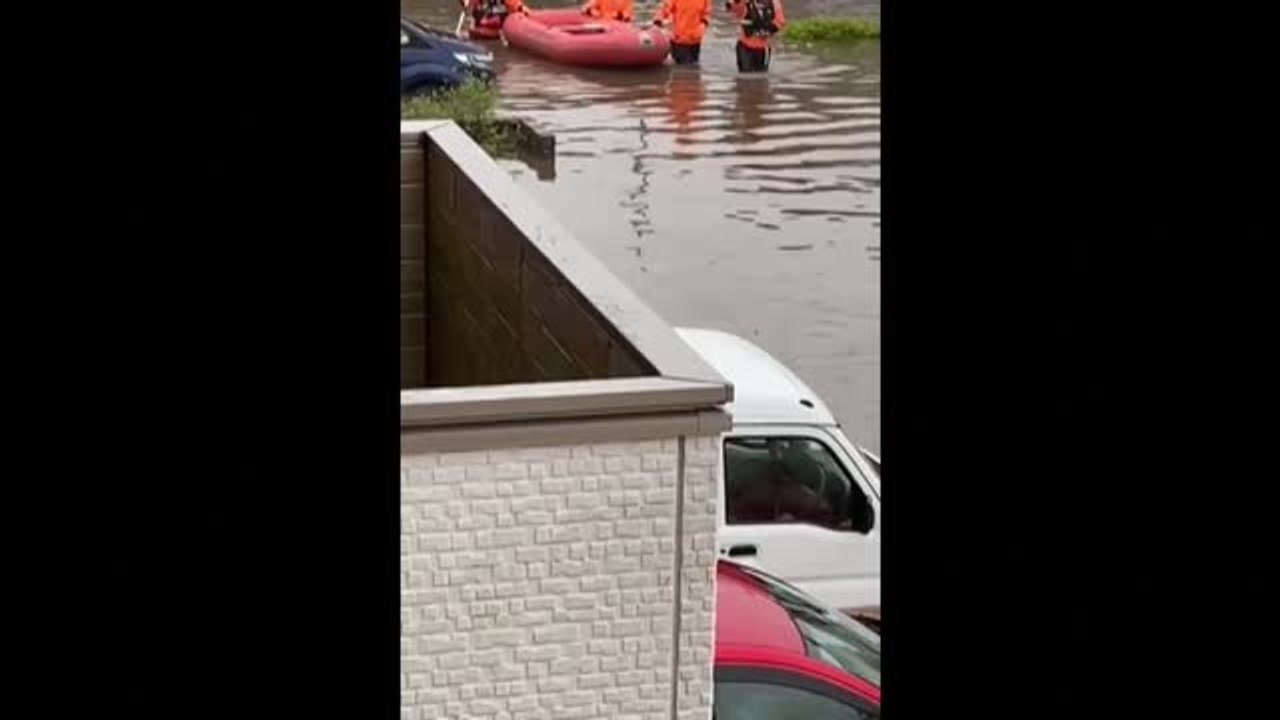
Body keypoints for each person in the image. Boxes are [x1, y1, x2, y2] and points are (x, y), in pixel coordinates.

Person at [726, 0, 785, 73]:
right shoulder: (744, 2)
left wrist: (767, 31)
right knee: (744, 74)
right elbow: (732, 9)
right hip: (745, 45)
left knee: (762, 75)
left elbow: (780, 21)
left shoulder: (774, 2)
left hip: (763, 48)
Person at [651, 0, 711, 65]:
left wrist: (703, 26)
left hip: (695, 41)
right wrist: (658, 21)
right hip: (679, 40)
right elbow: (664, 8)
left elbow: (706, 14)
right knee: (684, 67)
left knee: (692, 65)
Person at [462, 0, 530, 34]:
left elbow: (515, 6)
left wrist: (520, 7)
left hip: (499, 29)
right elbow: (469, 4)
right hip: (480, 27)